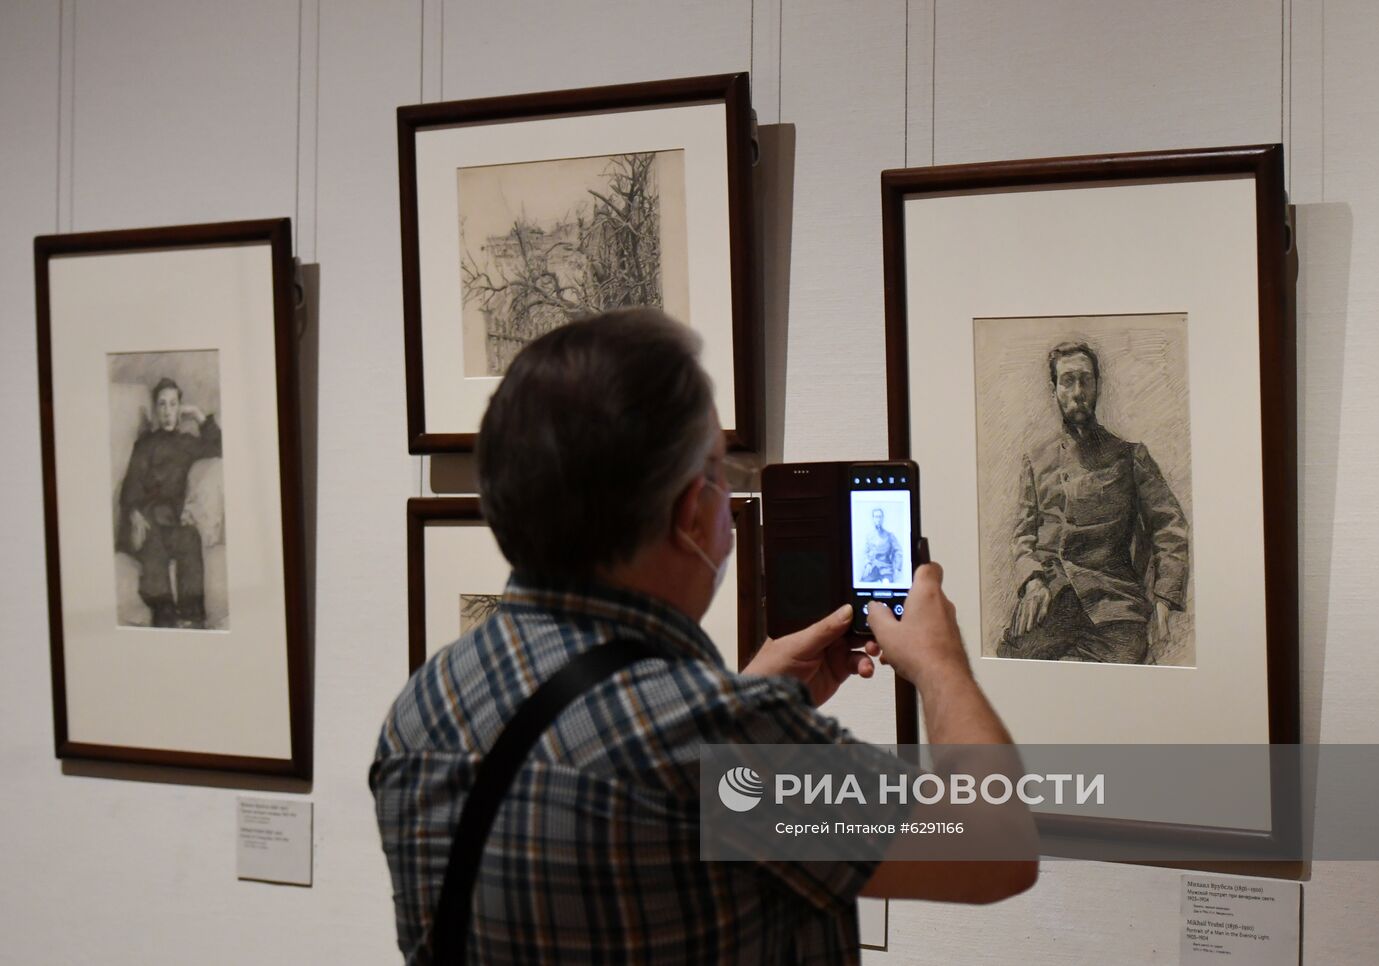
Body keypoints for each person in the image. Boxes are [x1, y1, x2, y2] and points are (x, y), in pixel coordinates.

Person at [370, 309, 1036, 964]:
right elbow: (993, 848)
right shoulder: (718, 735)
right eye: (722, 475)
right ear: (692, 511)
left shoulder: (423, 706)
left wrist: (746, 698)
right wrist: (941, 664)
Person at [998, 341, 1189, 664]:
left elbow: (1171, 527)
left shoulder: (1129, 456)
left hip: (1114, 610)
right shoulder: (1036, 460)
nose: (1077, 392)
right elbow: (1023, 535)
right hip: (1050, 604)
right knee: (1006, 672)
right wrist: (1032, 580)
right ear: (1054, 388)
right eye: (1068, 381)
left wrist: (1163, 600)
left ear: (1097, 385)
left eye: (1085, 380)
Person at [117, 377, 221, 629]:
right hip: (143, 520)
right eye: (162, 405)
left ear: (179, 408)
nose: (167, 412)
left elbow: (219, 446)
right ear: (155, 410)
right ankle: (164, 616)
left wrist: (197, 414)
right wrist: (133, 514)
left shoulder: (186, 444)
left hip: (171, 523)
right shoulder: (144, 445)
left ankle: (193, 615)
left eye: (173, 404)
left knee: (190, 537)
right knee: (153, 542)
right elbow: (130, 486)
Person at [859, 506, 902, 583]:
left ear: (882, 518)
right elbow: (865, 552)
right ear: (873, 519)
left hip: (886, 569)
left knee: (887, 585)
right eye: (876, 517)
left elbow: (898, 551)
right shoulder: (869, 536)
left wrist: (897, 567)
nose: (878, 519)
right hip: (873, 568)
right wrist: (867, 563)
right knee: (862, 583)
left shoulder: (889, 535)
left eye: (879, 517)